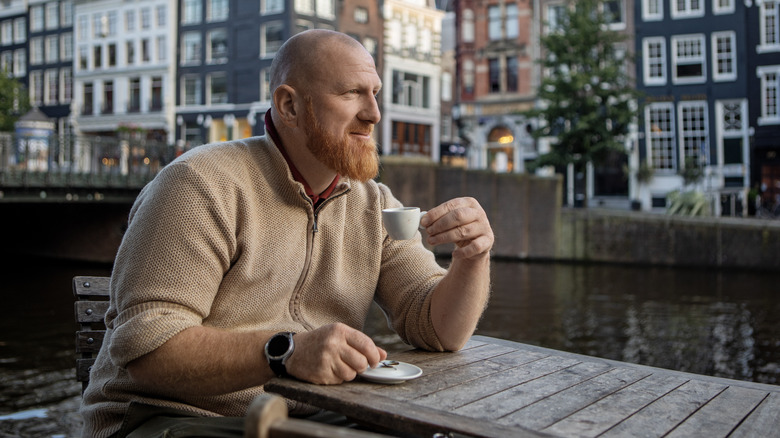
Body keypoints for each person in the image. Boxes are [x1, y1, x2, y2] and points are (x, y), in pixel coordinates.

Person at [80, 29, 493, 438]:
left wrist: (472, 258)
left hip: (310, 416)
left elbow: (438, 330)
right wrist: (288, 351)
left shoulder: (374, 204)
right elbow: (149, 350)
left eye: (375, 93)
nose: (373, 113)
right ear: (289, 105)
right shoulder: (199, 184)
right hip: (174, 419)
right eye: (351, 93)